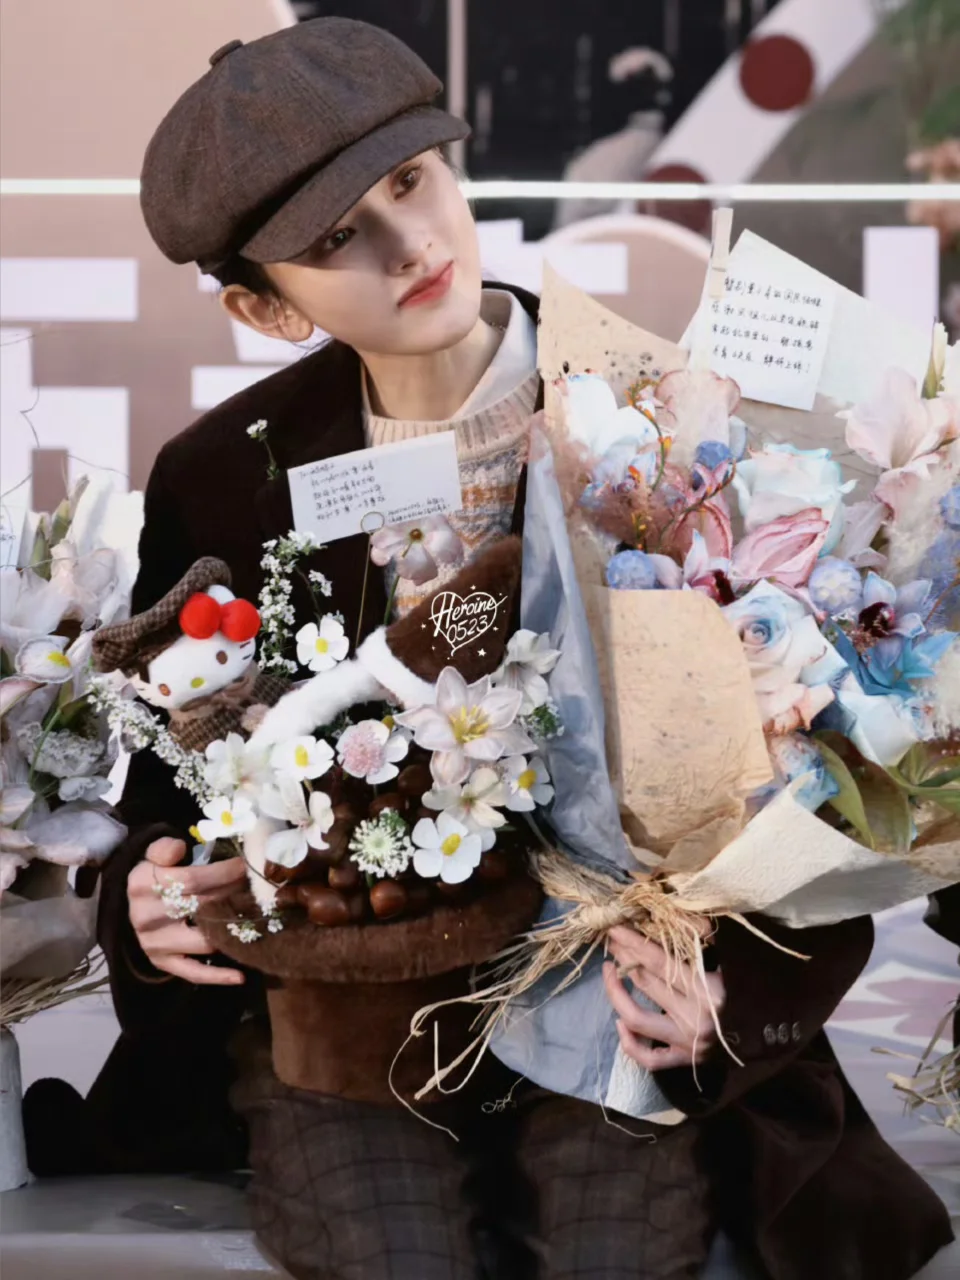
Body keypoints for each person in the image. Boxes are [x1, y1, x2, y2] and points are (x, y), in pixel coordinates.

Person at [86, 17, 952, 1280]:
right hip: (347, 1018)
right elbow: (170, 790)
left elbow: (818, 774)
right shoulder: (222, 475)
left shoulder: (673, 418)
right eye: (334, 240)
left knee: (618, 1246)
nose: (411, 244)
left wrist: (728, 997)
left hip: (621, 1003)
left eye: (411, 180)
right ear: (263, 307)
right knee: (389, 1249)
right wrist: (148, 898)